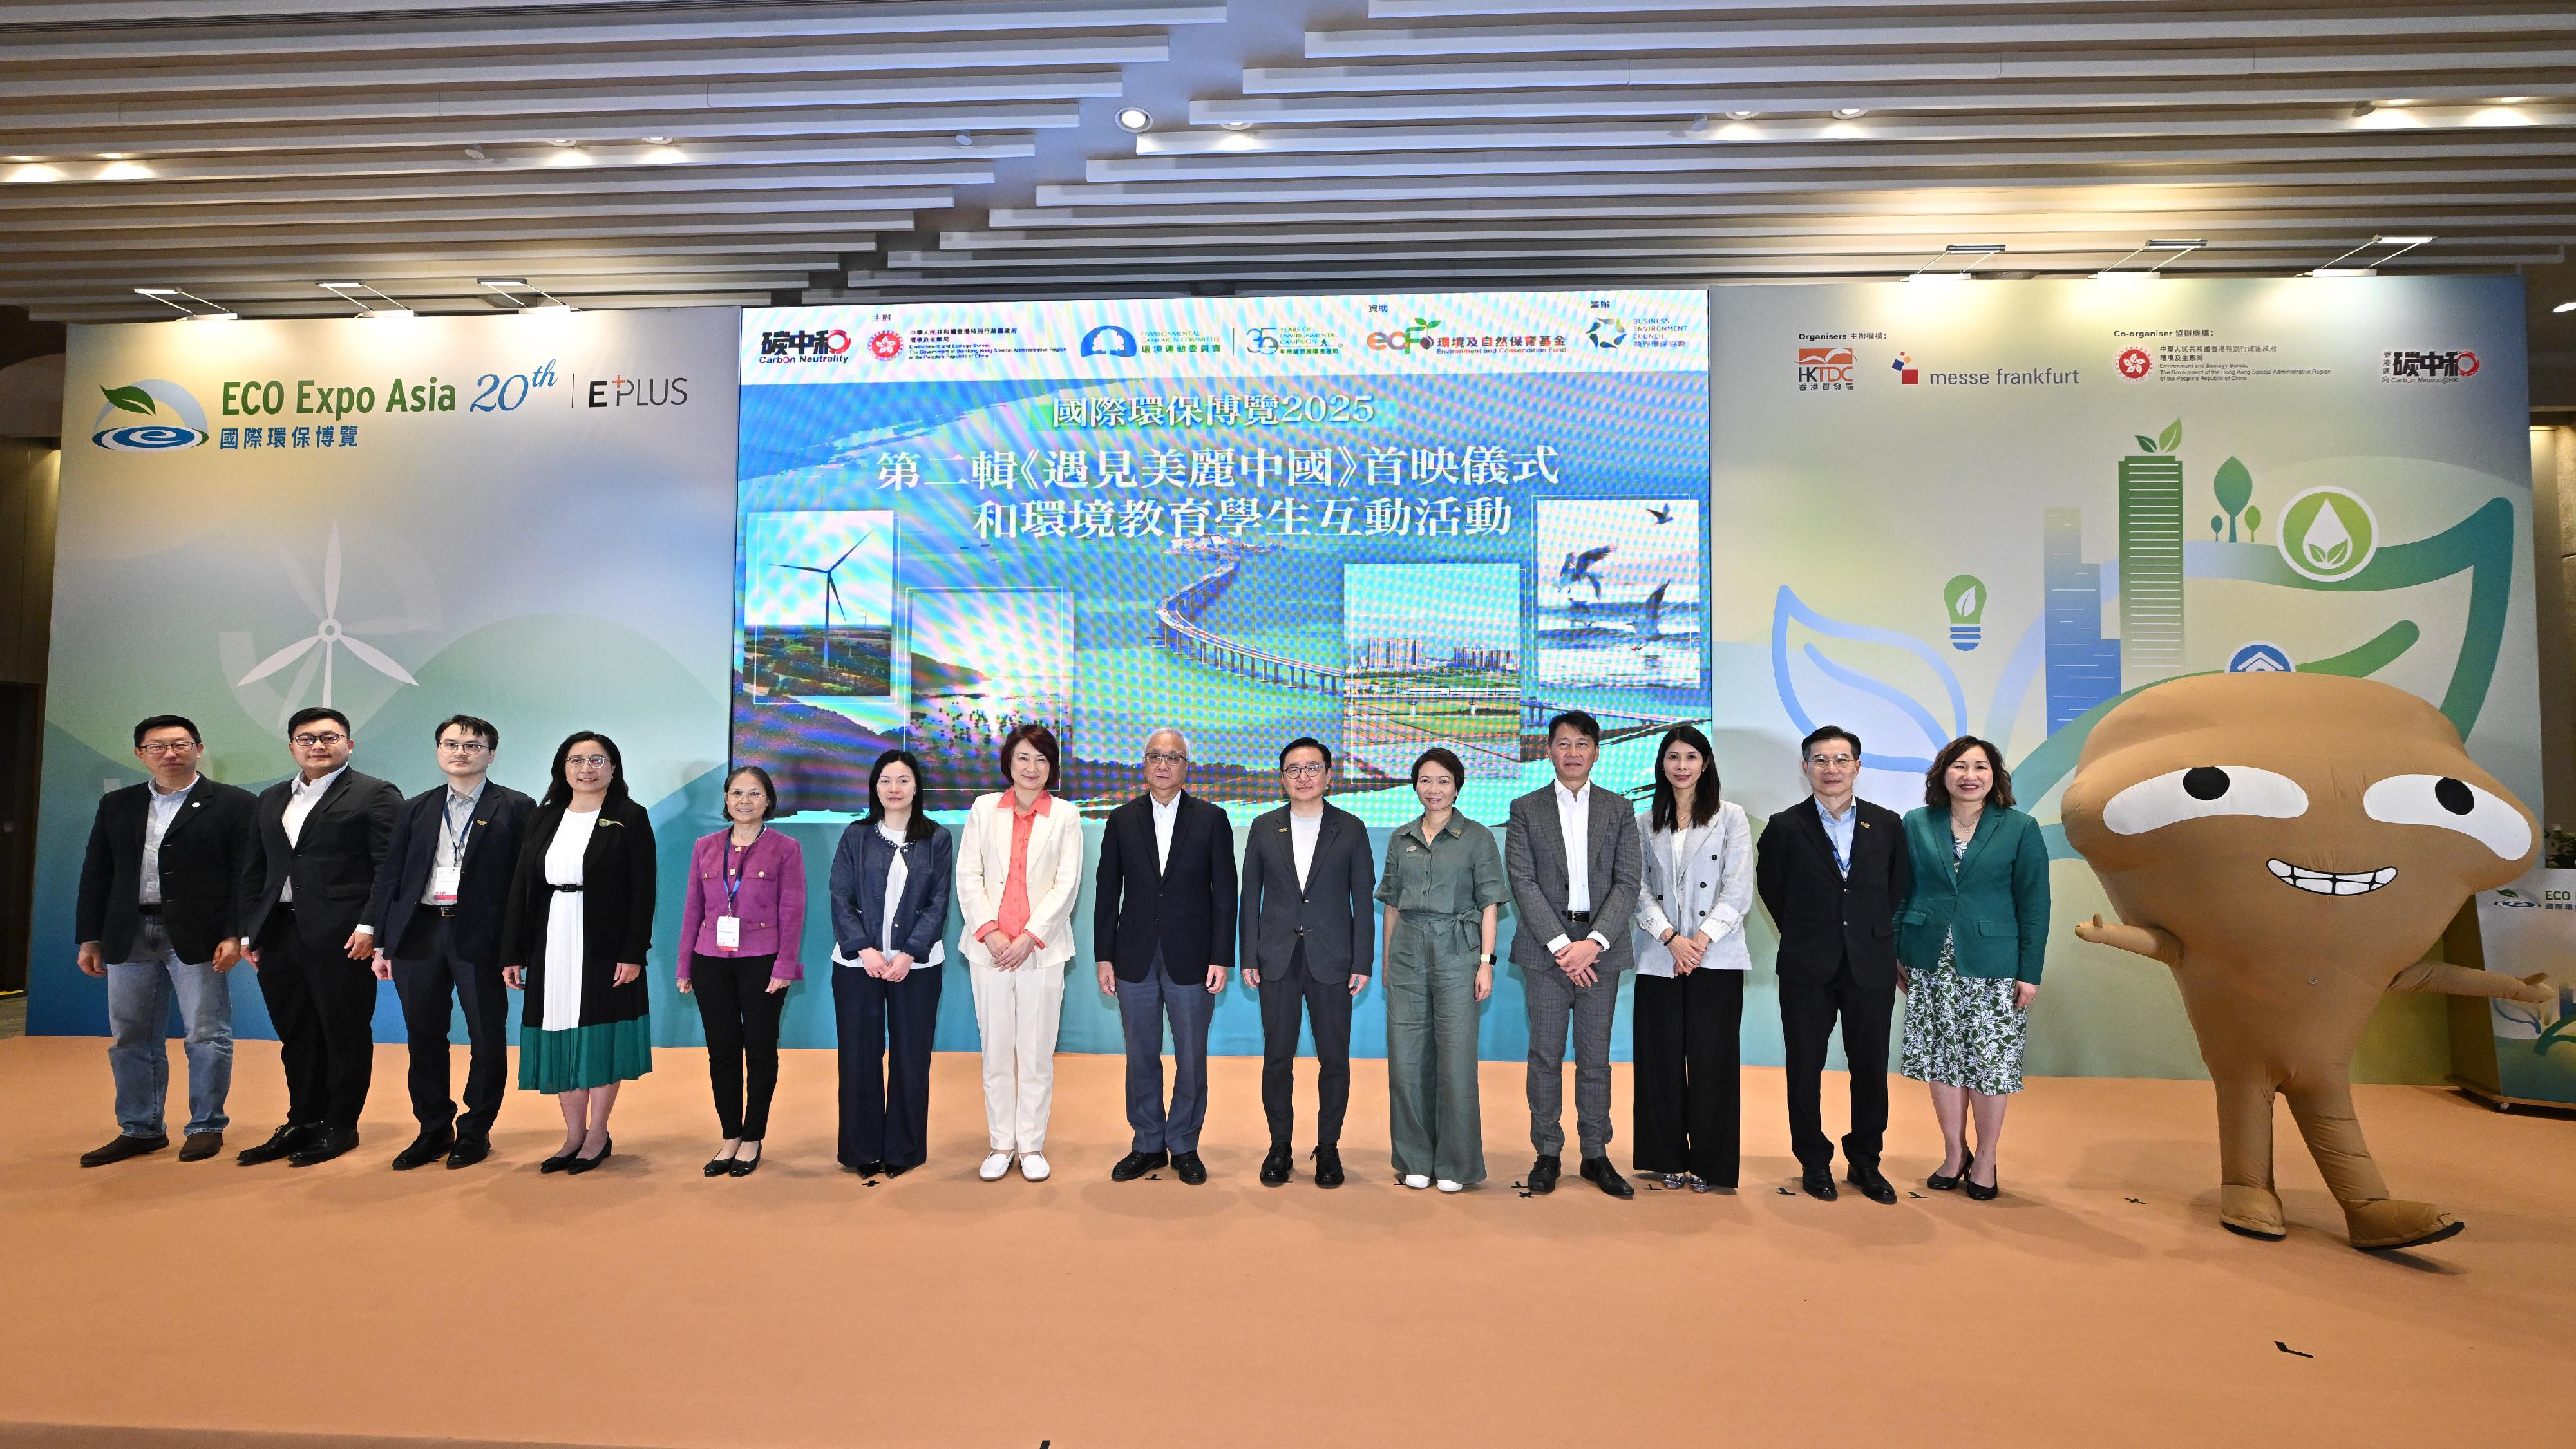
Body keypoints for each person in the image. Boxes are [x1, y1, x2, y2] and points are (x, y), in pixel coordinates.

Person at [73, 715, 258, 1166]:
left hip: (199, 935)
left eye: (179, 744)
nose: (169, 754)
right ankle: (141, 1128)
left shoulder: (234, 803)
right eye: (157, 747)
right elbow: (97, 872)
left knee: (206, 1033)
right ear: (140, 754)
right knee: (130, 1035)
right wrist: (90, 938)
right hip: (128, 933)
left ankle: (206, 1125)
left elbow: (245, 876)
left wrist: (235, 933)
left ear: (198, 748)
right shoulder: (118, 804)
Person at [234, 706, 402, 1168]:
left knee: (343, 1031)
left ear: (349, 744)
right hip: (279, 933)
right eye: (306, 738)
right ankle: (303, 1121)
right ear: (292, 746)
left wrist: (371, 927)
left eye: (329, 737)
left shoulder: (376, 794)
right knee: (297, 1033)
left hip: (344, 936)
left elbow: (389, 868)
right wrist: (250, 930)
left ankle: (341, 1124)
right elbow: (256, 868)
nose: (318, 745)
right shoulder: (272, 797)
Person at [367, 714, 535, 1171]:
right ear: (439, 751)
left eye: (473, 745)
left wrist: (517, 948)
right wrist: (383, 941)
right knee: (423, 1035)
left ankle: (476, 1129)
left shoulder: (516, 807)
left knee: (486, 1035)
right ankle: (433, 1127)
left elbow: (526, 884)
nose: (461, 752)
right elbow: (392, 877)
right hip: (419, 933)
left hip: (482, 936)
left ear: (491, 754)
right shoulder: (415, 808)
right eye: (451, 744)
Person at [1754, 724, 1913, 1204]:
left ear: (1857, 767)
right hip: (1807, 964)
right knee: (1805, 1065)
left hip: (1870, 964)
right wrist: (1808, 932)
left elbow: (1897, 888)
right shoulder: (1785, 826)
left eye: (1841, 759)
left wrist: (1868, 932)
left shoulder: (1887, 824)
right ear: (1805, 767)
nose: (1831, 769)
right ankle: (1813, 1160)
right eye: (1820, 760)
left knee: (1870, 1067)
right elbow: (1772, 890)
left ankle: (1866, 1161)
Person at [1899, 736, 2051, 1202]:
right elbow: (1900, 890)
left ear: (1994, 775)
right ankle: (1954, 1152)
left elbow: (2035, 904)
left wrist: (2030, 971)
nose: (1970, 776)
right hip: (1929, 960)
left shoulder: (2020, 827)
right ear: (1942, 774)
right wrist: (1896, 951)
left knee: (1990, 1064)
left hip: (1995, 964)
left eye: (1980, 767)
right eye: (1959, 766)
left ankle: (1985, 1158)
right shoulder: (1916, 822)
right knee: (1942, 1059)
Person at [500, 732, 655, 1176]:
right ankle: (572, 1134)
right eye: (576, 760)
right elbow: (521, 886)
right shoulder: (545, 816)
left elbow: (643, 891)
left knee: (599, 1034)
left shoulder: (629, 816)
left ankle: (598, 1133)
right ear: (563, 768)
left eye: (597, 760)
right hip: (549, 939)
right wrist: (512, 951)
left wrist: (633, 952)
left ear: (613, 767)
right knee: (559, 1029)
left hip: (605, 945)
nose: (586, 768)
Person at [1504, 710, 1643, 1199]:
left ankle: (1595, 1154)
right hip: (1548, 954)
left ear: (1596, 752)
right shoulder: (1525, 808)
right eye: (1563, 743)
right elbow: (1522, 880)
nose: (1573, 752)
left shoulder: (1619, 809)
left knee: (1595, 1058)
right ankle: (1547, 1152)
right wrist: (1563, 947)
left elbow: (1628, 882)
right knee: (1545, 1055)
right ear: (1549, 751)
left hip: (1600, 951)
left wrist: (1593, 943)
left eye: (1582, 744)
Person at [1096, 728, 1236, 1186]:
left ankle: (1185, 1144)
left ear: (1185, 767)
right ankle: (1148, 1143)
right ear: (1144, 763)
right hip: (1133, 956)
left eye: (1173, 757)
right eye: (1155, 756)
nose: (1163, 764)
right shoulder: (1121, 819)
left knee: (1191, 1056)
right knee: (1141, 1055)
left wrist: (1221, 956)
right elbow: (1107, 893)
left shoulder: (1212, 819)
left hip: (1193, 958)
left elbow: (1225, 895)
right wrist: (1104, 956)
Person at [1238, 737, 1375, 1188]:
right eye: (1293, 769)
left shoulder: (1351, 828)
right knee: (1277, 1057)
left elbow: (1362, 900)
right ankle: (1280, 1146)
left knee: (1334, 1058)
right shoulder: (1263, 827)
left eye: (1313, 768)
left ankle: (1328, 1147)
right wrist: (1248, 954)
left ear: (1329, 776)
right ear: (1282, 778)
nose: (1303, 777)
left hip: (1333, 959)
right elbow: (1250, 896)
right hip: (1276, 958)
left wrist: (1362, 960)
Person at [954, 723, 1083, 1183]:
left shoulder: (1066, 815)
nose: (1032, 768)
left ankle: (1030, 1144)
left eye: (1042, 760)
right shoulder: (984, 809)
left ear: (1052, 768)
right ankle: (1000, 1144)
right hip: (989, 951)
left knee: (1036, 1053)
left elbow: (1067, 884)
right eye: (1024, 757)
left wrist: (1030, 936)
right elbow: (968, 875)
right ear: (1009, 761)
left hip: (1040, 952)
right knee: (995, 1052)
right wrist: (989, 932)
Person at [1630, 724, 1755, 1193]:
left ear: (1705, 764)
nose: (1682, 766)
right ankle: (1664, 1155)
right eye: (1673, 757)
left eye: (1691, 757)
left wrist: (1698, 941)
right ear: (1662, 764)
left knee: (1713, 1062)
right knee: (1659, 1060)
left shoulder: (1732, 817)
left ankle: (1710, 1162)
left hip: (1715, 956)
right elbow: (1636, 887)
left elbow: (1739, 889)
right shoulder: (1644, 821)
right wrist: (1670, 939)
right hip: (1660, 955)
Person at [1377, 747, 1506, 1193]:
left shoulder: (1478, 837)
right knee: (1406, 1059)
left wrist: (1486, 963)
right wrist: (1387, 961)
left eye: (1443, 781)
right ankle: (1414, 1158)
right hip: (1407, 954)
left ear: (1457, 787)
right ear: (1415, 786)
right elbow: (1391, 906)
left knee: (1456, 1061)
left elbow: (1490, 905)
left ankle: (1456, 1163)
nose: (1434, 789)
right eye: (1425, 780)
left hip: (1458, 954)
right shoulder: (1401, 838)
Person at [828, 750, 953, 1179]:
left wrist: (909, 953)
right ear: (875, 787)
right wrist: (864, 949)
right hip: (857, 965)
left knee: (911, 1056)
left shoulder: (937, 838)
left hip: (915, 967)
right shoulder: (856, 835)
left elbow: (939, 902)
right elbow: (840, 896)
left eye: (903, 781)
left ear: (916, 787)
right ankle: (861, 1148)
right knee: (859, 1056)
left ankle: (904, 1149)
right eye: (886, 781)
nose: (894, 789)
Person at [677, 764, 804, 1178]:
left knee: (761, 1048)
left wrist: (785, 966)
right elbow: (693, 908)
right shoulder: (705, 846)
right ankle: (730, 1134)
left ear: (768, 801)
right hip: (709, 960)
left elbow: (793, 911)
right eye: (736, 793)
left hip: (763, 961)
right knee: (722, 1050)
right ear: (726, 799)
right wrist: (685, 965)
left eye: (754, 794)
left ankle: (753, 1137)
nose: (744, 801)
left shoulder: (786, 847)